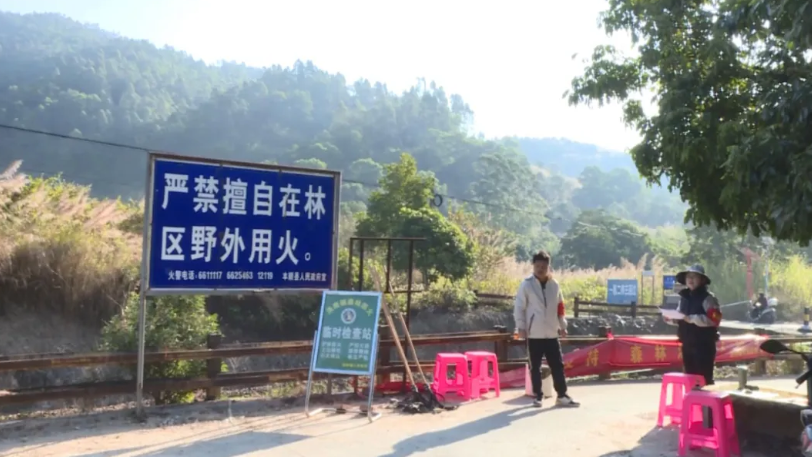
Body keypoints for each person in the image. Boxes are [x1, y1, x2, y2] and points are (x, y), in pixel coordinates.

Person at [513, 250, 579, 408]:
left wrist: (562, 326)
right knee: (534, 366)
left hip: (551, 333)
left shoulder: (554, 285)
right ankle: (538, 396)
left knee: (557, 365)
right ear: (533, 266)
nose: (540, 269)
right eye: (537, 266)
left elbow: (560, 307)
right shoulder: (526, 284)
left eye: (543, 266)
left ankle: (562, 395)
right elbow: (519, 307)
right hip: (534, 333)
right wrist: (520, 327)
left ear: (548, 267)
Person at [667, 264, 722, 386]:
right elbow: (680, 315)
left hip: (704, 344)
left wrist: (692, 318)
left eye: (694, 276)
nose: (691, 279)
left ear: (702, 280)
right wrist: (672, 318)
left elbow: (715, 320)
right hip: (687, 343)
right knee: (690, 378)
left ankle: (706, 398)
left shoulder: (708, 298)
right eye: (688, 277)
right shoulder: (684, 298)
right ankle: (692, 398)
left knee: (704, 378)